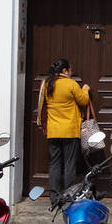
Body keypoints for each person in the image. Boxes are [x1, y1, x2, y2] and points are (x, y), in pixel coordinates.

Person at [38, 59, 91, 196]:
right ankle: (69, 195)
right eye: (70, 70)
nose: (71, 73)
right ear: (65, 71)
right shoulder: (71, 84)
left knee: (55, 164)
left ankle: (54, 196)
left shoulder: (47, 84)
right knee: (69, 165)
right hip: (69, 131)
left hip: (53, 131)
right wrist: (85, 90)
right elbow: (83, 101)